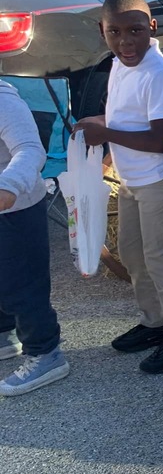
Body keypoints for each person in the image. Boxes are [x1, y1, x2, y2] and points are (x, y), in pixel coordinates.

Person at [74, 0, 163, 374]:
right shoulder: (119, 63)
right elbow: (121, 113)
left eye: (135, 31)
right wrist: (106, 128)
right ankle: (154, 323)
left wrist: (108, 134)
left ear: (152, 27)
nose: (125, 41)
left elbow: (161, 141)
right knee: (132, 254)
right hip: (133, 177)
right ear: (103, 31)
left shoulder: (159, 73)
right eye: (115, 32)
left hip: (161, 178)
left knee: (162, 258)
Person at [0, 81, 69, 396]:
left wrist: (9, 186)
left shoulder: (4, 99)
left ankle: (45, 352)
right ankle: (4, 334)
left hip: (16, 207)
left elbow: (30, 149)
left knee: (23, 285)